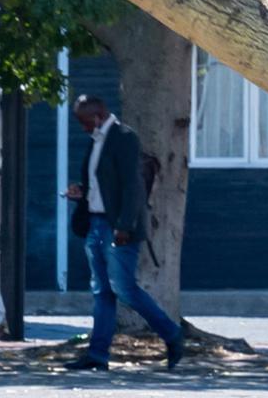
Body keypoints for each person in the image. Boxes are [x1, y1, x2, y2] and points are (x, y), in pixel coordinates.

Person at [63, 94, 182, 371]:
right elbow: (102, 184)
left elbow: (133, 186)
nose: (83, 128)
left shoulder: (124, 137)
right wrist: (81, 192)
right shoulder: (95, 141)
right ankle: (97, 355)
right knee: (101, 291)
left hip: (116, 226)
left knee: (124, 288)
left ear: (98, 115)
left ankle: (172, 334)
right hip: (95, 222)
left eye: (84, 122)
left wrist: (125, 225)